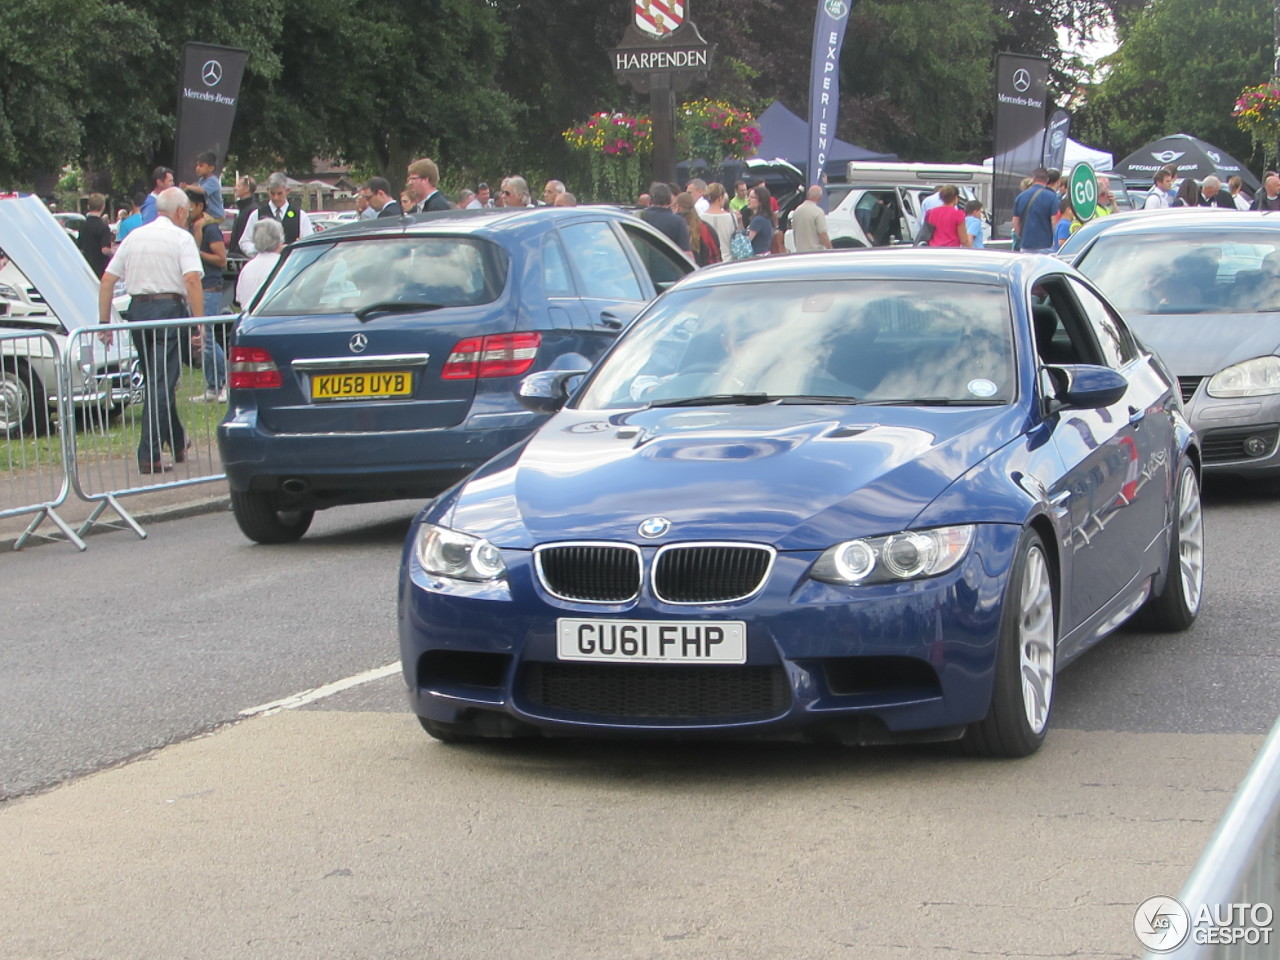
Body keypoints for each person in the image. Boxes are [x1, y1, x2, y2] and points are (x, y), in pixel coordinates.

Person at [97, 187, 203, 474]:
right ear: (181, 212)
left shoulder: (134, 237)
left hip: (139, 312)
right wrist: (200, 323)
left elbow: (107, 280)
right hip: (168, 310)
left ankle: (177, 441)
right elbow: (192, 280)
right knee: (161, 383)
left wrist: (104, 323)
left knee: (158, 380)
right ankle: (149, 453)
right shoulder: (182, 238)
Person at [184, 186, 228, 402]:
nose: (185, 210)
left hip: (210, 287)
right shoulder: (192, 226)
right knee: (203, 340)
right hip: (198, 288)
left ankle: (225, 381)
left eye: (189, 206)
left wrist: (196, 251)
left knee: (207, 338)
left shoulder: (210, 228)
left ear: (199, 206)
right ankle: (213, 385)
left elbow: (221, 259)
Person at [240, 173, 314, 255]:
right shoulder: (257, 215)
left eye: (279, 193)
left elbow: (308, 243)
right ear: (267, 191)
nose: (276, 197)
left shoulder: (301, 216)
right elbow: (245, 242)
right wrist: (258, 251)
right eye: (272, 193)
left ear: (287, 191)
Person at [236, 218, 285, 310]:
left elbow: (239, 299)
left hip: (249, 319)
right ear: (279, 239)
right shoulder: (283, 266)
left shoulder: (247, 268)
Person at [640, 182, 691, 258]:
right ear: (670, 199)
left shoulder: (639, 218)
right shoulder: (678, 221)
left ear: (650, 199)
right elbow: (686, 253)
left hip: (642, 266)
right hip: (670, 266)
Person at [1011, 168, 1057, 252]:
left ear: (1033, 179)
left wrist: (1021, 236)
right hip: (1046, 245)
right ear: (1047, 180)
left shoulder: (1020, 197)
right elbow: (1054, 221)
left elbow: (1015, 221)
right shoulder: (1052, 197)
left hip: (1026, 245)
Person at [675, 191, 718, 266]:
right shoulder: (705, 227)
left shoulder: (676, 226)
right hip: (704, 271)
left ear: (677, 207)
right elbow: (715, 253)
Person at [77, 193, 114, 277]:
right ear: (103, 207)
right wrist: (113, 251)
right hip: (100, 268)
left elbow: (80, 246)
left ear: (88, 207)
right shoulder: (104, 227)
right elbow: (104, 249)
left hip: (86, 267)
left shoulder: (83, 226)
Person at [790, 185, 833, 252]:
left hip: (800, 252)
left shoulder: (797, 211)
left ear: (808, 195)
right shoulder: (818, 212)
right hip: (815, 253)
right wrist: (830, 249)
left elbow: (794, 231)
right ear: (820, 198)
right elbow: (822, 234)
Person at [701, 183, 737, 260]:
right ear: (720, 198)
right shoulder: (731, 217)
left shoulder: (701, 217)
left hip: (709, 261)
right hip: (728, 260)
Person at [228, 176, 257, 257]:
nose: (235, 188)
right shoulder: (243, 210)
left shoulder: (252, 211)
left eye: (238, 186)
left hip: (242, 257)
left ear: (246, 188)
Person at [192, 151, 225, 220]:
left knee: (198, 224)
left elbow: (202, 190)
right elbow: (196, 186)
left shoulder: (213, 180)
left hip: (216, 215)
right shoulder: (202, 180)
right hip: (208, 214)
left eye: (201, 166)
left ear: (211, 168)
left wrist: (187, 187)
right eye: (197, 165)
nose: (197, 168)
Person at [745, 185, 776, 256]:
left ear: (761, 201)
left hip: (758, 257)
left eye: (752, 197)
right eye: (748, 196)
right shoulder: (765, 217)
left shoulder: (758, 220)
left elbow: (746, 241)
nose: (748, 199)